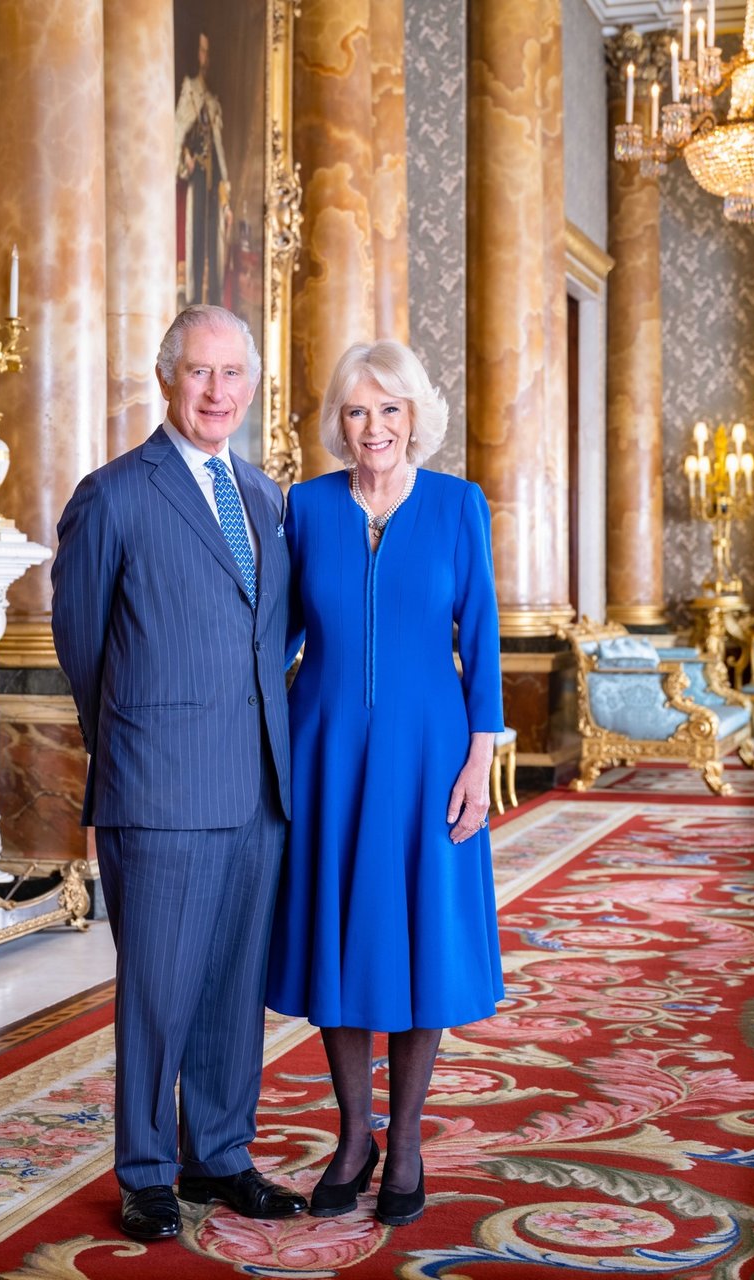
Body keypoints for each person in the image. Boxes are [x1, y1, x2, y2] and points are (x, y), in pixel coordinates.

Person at [51, 305, 306, 1242]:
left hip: (259, 787)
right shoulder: (114, 494)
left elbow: (272, 633)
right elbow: (81, 648)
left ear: (250, 383)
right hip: (157, 786)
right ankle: (148, 1171)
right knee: (156, 990)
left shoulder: (266, 495)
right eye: (199, 373)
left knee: (236, 984)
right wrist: (135, 742)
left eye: (233, 374)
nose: (216, 392)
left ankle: (222, 1154)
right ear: (167, 379)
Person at [266, 340, 505, 1228]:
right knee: (340, 936)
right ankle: (353, 1134)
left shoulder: (456, 506)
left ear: (415, 418)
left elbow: (478, 639)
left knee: (420, 939)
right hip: (324, 748)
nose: (376, 428)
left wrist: (480, 762)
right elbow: (278, 639)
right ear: (341, 422)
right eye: (360, 412)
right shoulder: (306, 507)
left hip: (430, 754)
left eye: (392, 410)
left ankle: (405, 1141)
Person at [175, 32, 231, 306]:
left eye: (208, 52)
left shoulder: (212, 100)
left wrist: (225, 199)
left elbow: (218, 153)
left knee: (212, 245)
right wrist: (184, 156)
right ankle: (194, 301)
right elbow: (176, 136)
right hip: (194, 181)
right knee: (194, 243)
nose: (205, 58)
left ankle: (211, 303)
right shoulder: (190, 90)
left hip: (211, 187)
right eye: (201, 51)